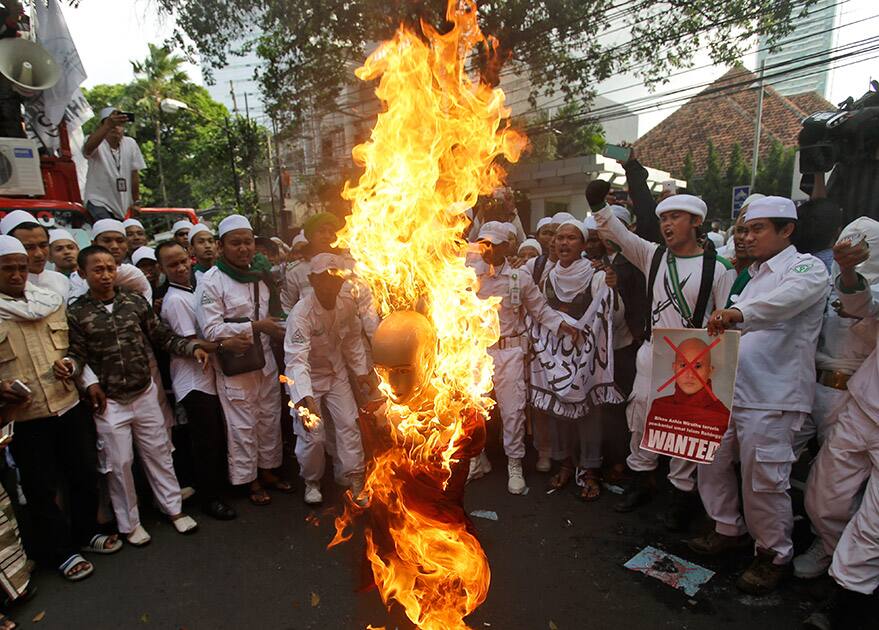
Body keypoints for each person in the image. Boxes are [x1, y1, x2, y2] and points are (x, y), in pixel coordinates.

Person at [694, 196, 830, 595]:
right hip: (731, 388)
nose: (748, 237)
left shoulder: (806, 268)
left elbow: (780, 306)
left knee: (763, 480)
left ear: (786, 230)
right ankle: (726, 527)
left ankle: (773, 554)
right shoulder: (752, 275)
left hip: (774, 397)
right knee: (710, 458)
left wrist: (737, 315)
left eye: (758, 230)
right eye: (745, 230)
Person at [589, 180, 736, 530]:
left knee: (683, 427)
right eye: (664, 218)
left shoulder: (718, 269)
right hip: (652, 353)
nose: (668, 225)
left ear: (696, 222)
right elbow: (620, 235)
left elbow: (727, 320)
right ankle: (641, 481)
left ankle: (680, 493)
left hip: (693, 360)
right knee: (640, 415)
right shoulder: (653, 255)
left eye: (676, 217)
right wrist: (599, 206)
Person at [0, 235, 119, 582]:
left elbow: (75, 348)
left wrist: (71, 362)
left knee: (82, 474)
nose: (16, 274)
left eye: (21, 268)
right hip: (26, 417)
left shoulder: (50, 301)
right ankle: (60, 552)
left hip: (67, 406)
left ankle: (85, 534)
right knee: (41, 488)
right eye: (7, 269)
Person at [67, 245, 205, 545]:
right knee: (119, 463)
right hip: (109, 401)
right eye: (97, 269)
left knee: (158, 453)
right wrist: (82, 377)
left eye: (110, 268)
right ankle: (130, 524)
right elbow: (76, 354)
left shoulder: (133, 302)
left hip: (144, 392)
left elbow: (160, 336)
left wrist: (192, 347)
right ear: (82, 273)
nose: (106, 275)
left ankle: (174, 510)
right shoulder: (77, 311)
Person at [799, 232, 879, 629]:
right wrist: (848, 271)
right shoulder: (847, 282)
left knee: (871, 530)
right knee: (823, 499)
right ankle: (833, 555)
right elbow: (863, 304)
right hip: (863, 409)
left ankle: (848, 602)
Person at [196, 215, 290, 506]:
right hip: (235, 364)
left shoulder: (261, 276)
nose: (243, 248)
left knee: (268, 417)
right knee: (242, 425)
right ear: (221, 246)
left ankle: (268, 471)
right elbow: (210, 329)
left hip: (265, 360)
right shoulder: (211, 281)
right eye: (235, 243)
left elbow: (275, 314)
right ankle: (250, 480)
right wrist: (255, 327)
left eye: (247, 242)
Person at [475, 222, 575, 495]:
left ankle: (515, 464)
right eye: (484, 243)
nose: (488, 249)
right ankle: (476, 458)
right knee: (471, 409)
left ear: (506, 246)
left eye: (494, 244)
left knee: (513, 410)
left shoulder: (520, 277)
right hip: (476, 351)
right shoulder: (468, 274)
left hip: (510, 351)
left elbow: (540, 309)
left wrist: (562, 326)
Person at [156, 241, 244, 520]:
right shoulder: (175, 299)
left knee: (217, 436)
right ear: (161, 269)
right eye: (172, 265)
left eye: (184, 261)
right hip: (193, 380)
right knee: (206, 441)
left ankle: (219, 488)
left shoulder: (197, 287)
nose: (181, 268)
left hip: (209, 376)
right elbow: (192, 342)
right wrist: (225, 344)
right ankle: (210, 499)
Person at [285, 253, 372, 505]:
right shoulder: (301, 314)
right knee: (313, 433)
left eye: (336, 277)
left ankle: (355, 479)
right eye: (324, 278)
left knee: (348, 424)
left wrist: (361, 371)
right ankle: (311, 481)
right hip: (307, 378)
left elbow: (354, 339)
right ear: (312, 280)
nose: (330, 284)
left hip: (336, 374)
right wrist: (304, 396)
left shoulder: (346, 303)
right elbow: (295, 360)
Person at [645, 337, 731, 429]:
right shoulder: (659, 407)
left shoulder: (722, 416)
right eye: (683, 365)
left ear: (710, 371)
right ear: (674, 368)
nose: (690, 375)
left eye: (697, 366)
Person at [82, 108, 145, 221]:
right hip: (98, 201)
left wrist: (136, 202)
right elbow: (88, 149)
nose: (115, 127)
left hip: (121, 205)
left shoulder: (130, 143)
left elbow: (134, 174)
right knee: (108, 228)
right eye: (112, 124)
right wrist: (107, 126)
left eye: (119, 124)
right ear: (103, 126)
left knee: (118, 235)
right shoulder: (95, 140)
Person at [68, 219, 152, 303]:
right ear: (94, 244)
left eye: (120, 241)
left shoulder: (132, 274)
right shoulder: (77, 278)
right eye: (107, 241)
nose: (115, 246)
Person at [0, 210, 69, 299]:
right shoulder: (7, 285)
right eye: (29, 247)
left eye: (43, 245)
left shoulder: (62, 280)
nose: (39, 254)